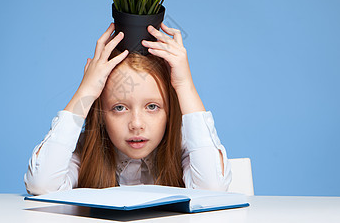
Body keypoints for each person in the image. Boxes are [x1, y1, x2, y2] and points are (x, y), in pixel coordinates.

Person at [24, 22, 232, 195]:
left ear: (170, 111)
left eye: (152, 106)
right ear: (101, 114)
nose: (136, 124)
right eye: (119, 107)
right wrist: (85, 91)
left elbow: (211, 189)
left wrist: (185, 86)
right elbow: (42, 185)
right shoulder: (85, 151)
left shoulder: (183, 149)